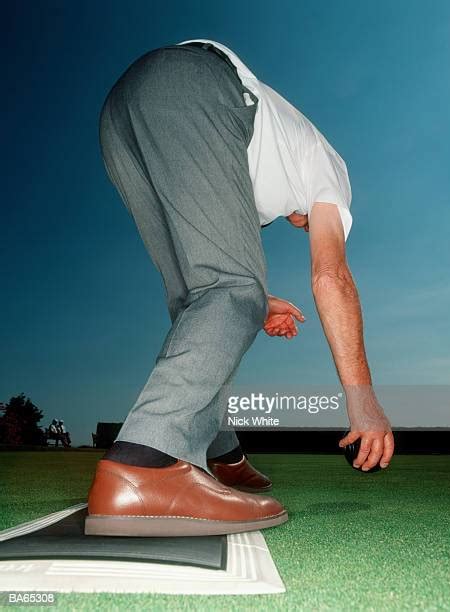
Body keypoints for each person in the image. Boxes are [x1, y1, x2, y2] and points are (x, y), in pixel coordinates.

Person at [86, 39, 394, 538]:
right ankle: (149, 462)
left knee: (193, 299)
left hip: (121, 115)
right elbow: (330, 275)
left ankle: (218, 449)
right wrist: (363, 398)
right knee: (234, 288)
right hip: (197, 85)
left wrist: (253, 303)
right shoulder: (329, 174)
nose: (298, 224)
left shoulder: (252, 182)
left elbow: (205, 280)